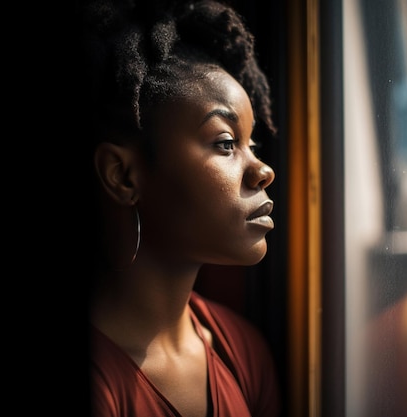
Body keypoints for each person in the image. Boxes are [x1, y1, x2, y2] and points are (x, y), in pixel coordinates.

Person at [79, 0, 282, 415]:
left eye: (252, 145)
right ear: (123, 176)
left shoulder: (242, 351)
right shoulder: (98, 379)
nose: (263, 170)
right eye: (226, 143)